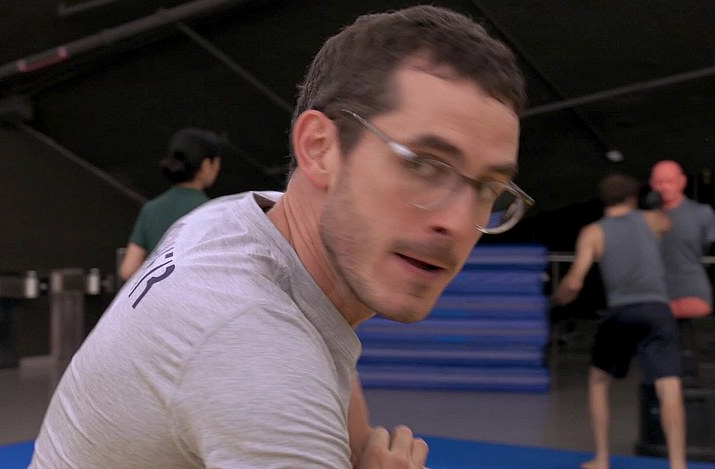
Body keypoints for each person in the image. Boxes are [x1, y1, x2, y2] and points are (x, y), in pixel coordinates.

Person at [31, 5, 530, 468]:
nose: (459, 223)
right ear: (319, 149)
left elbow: (330, 343)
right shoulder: (258, 356)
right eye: (423, 165)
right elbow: (268, 361)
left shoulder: (235, 220)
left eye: (488, 188)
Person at [554, 173, 686, 469]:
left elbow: (573, 283)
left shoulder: (592, 232)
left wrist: (557, 300)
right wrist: (659, 201)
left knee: (599, 381)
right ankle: (678, 465)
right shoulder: (653, 220)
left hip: (621, 313)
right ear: (632, 198)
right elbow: (670, 220)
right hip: (656, 309)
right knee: (669, 387)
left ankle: (602, 458)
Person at [118, 127, 221, 281]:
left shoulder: (151, 209)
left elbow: (128, 270)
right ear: (206, 166)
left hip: (159, 295)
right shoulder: (215, 211)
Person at [649, 160, 715, 319]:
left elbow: (706, 246)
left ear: (682, 181)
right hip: (655, 292)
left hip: (691, 289)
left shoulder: (702, 214)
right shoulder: (645, 220)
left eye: (670, 181)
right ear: (652, 184)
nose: (664, 187)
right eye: (659, 182)